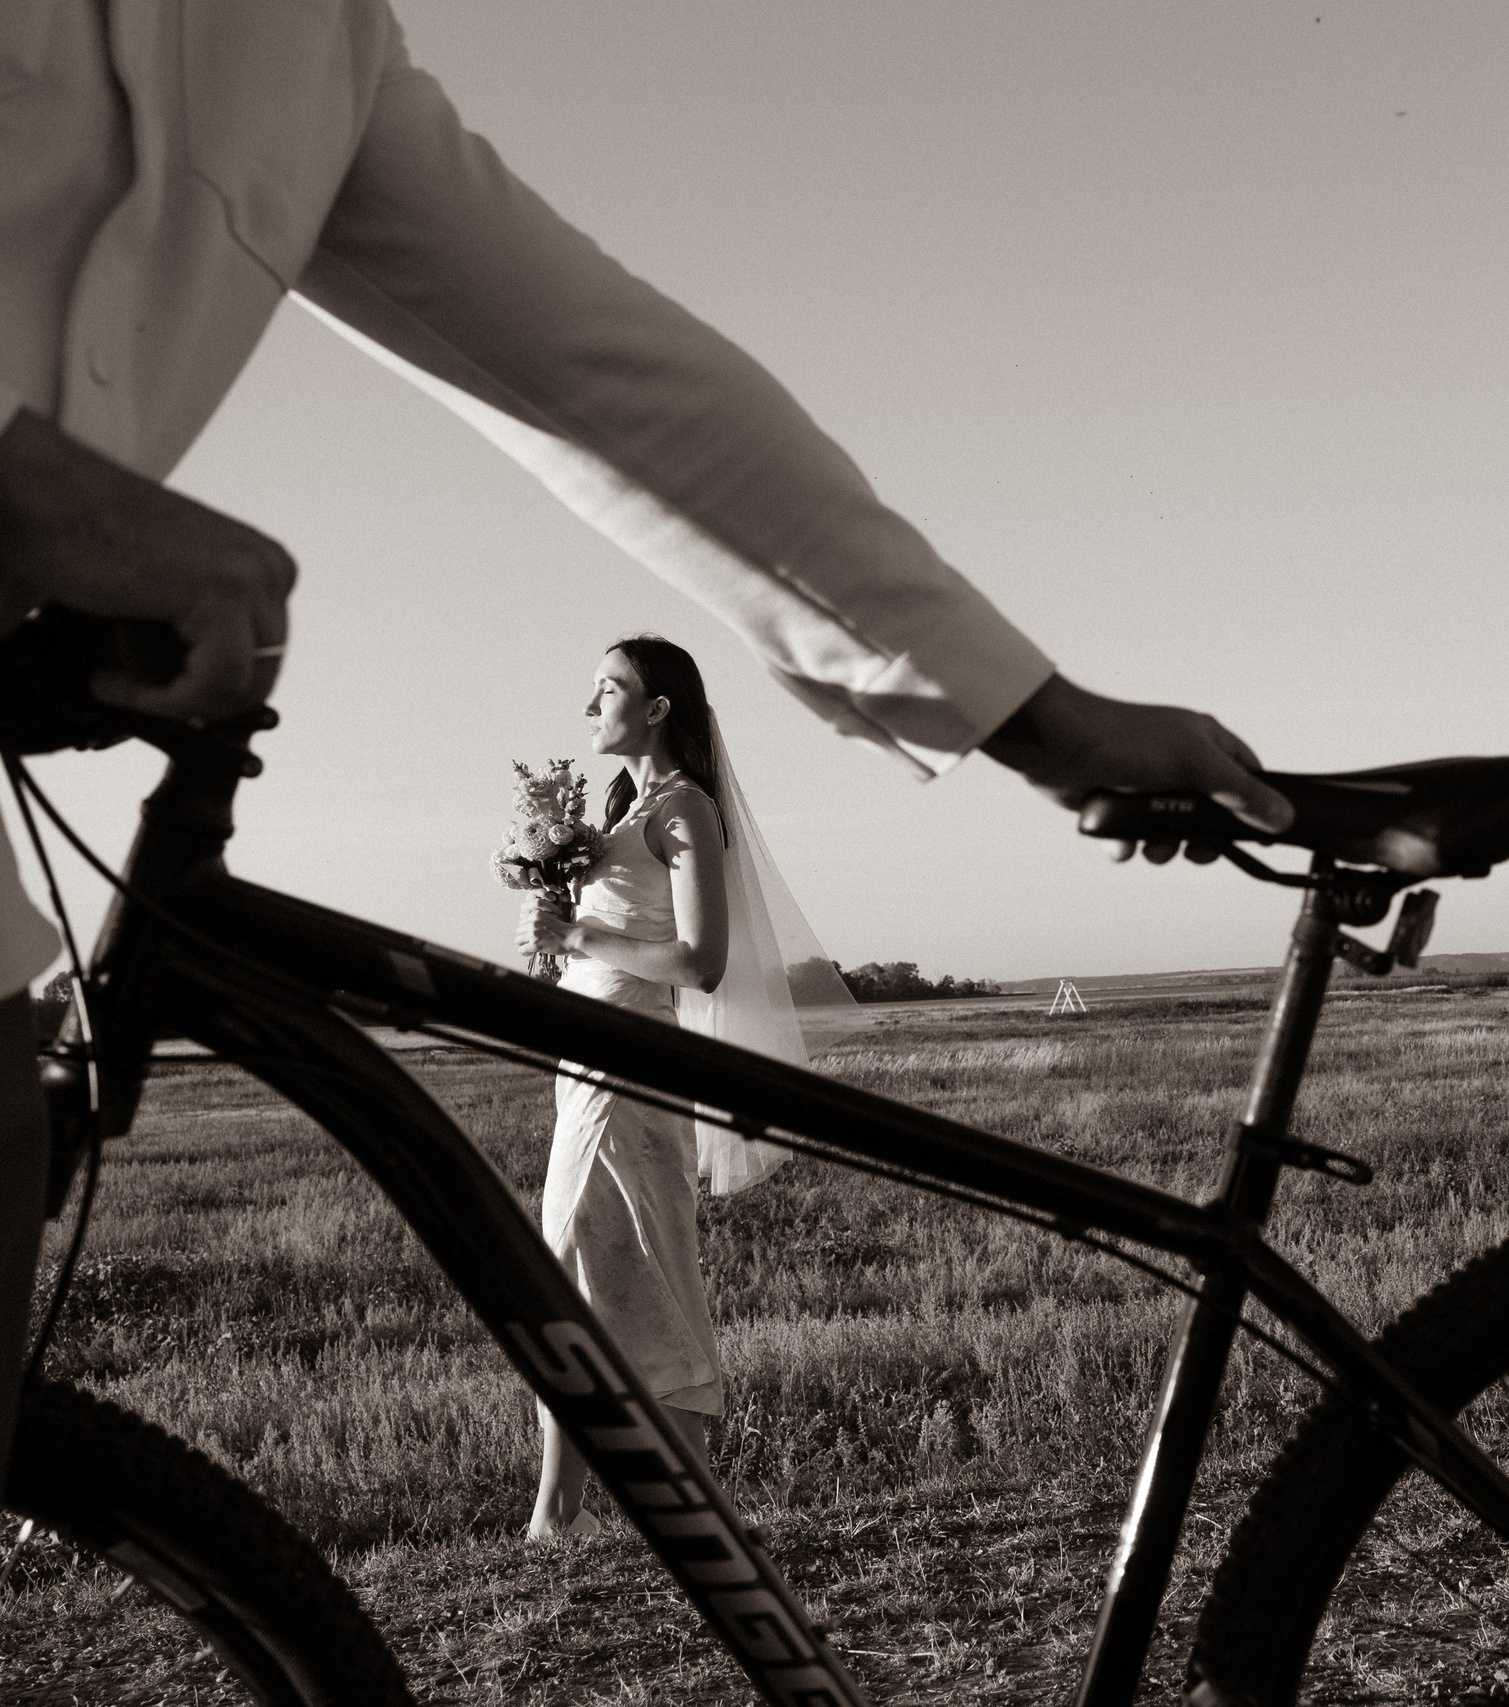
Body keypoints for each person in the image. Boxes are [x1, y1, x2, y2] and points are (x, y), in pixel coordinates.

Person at [0, 0, 1286, 1483]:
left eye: (609, 689)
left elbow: (613, 380)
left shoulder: (309, 41)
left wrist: (1034, 715)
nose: (591, 706)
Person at [512, 635, 827, 1538]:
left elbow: (700, 961)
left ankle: (584, 1515)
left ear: (657, 708)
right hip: (587, 1068)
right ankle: (573, 1513)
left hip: (630, 1073)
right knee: (592, 1273)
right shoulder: (623, 812)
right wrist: (553, 934)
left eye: (607, 687)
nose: (590, 705)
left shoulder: (684, 807)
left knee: (608, 1270)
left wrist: (578, 937)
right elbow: (611, 949)